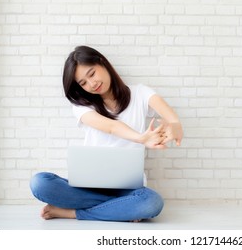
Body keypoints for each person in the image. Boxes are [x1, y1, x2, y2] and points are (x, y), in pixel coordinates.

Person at [30, 46, 183, 222]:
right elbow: (111, 127)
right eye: (83, 83)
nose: (92, 84)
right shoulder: (82, 106)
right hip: (88, 187)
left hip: (129, 188)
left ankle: (72, 212)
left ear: (102, 63)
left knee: (151, 203)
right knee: (40, 183)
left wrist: (175, 125)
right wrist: (141, 138)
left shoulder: (141, 93)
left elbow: (171, 118)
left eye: (92, 74)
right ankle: (121, 208)